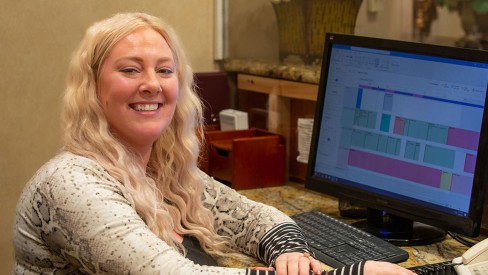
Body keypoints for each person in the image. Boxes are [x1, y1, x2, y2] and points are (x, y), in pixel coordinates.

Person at [12, 12, 416, 275]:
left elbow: (254, 217)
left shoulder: (160, 171)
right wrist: (355, 273)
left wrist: (288, 253)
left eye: (164, 70)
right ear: (94, 88)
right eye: (130, 69)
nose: (151, 84)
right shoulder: (71, 185)